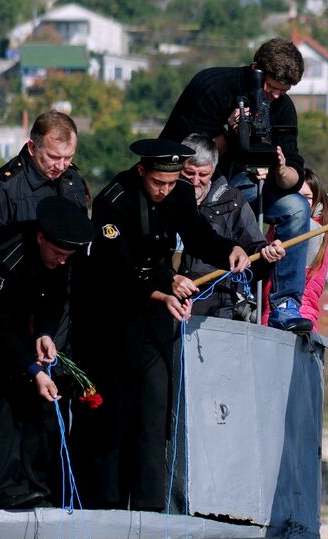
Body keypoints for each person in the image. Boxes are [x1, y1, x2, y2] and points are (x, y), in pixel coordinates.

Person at [80, 139, 280, 511]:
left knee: (154, 412)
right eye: (159, 183)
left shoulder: (179, 192)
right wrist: (162, 288)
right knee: (113, 416)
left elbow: (198, 235)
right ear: (142, 172)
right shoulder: (114, 200)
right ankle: (104, 504)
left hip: (157, 312)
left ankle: (149, 506)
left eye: (172, 183)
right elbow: (116, 268)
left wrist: (229, 250)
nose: (165, 191)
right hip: (114, 313)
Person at [0, 197, 94, 509]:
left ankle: (34, 484)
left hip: (17, 326)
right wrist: (33, 369)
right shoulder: (7, 258)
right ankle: (0, 488)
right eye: (57, 254)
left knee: (32, 410)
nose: (62, 261)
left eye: (67, 256)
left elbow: (55, 296)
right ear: (41, 238)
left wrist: (44, 332)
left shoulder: (59, 257)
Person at [160, 37, 313, 333]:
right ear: (256, 71)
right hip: (197, 183)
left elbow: (294, 176)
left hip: (247, 187)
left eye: (284, 91)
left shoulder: (282, 107)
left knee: (296, 208)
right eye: (271, 88)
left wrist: (281, 168)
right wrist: (231, 134)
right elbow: (189, 153)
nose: (276, 97)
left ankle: (285, 304)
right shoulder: (212, 86)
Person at [178, 134, 273, 323]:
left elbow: (254, 247)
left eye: (203, 174)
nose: (195, 181)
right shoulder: (165, 197)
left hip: (216, 306)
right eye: (189, 173)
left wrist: (266, 254)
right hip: (168, 298)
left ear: (213, 171)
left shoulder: (232, 200)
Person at [0, 110, 88, 243]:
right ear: (32, 147)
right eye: (53, 157)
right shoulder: (1, 187)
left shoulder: (72, 178)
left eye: (68, 157)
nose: (61, 166)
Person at [263, 168, 328, 332]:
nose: (300, 204)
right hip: (275, 313)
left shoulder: (313, 231)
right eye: (295, 197)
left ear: (317, 202)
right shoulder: (280, 227)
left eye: (307, 198)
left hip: (292, 317)